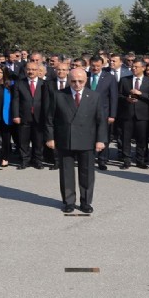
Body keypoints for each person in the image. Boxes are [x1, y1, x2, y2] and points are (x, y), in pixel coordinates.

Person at [45, 69, 107, 213]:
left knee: (87, 173)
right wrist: (50, 137)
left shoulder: (94, 96)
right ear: (68, 80)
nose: (77, 84)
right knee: (66, 172)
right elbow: (49, 119)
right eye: (73, 81)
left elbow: (101, 120)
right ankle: (69, 201)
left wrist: (101, 140)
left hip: (88, 139)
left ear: (86, 80)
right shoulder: (59, 95)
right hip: (65, 138)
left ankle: (86, 202)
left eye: (80, 81)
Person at [117, 59, 149, 169]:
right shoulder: (124, 80)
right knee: (126, 138)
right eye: (132, 67)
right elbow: (118, 95)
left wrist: (141, 94)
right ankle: (126, 160)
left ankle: (140, 160)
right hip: (127, 114)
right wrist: (126, 99)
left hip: (142, 114)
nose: (133, 69)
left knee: (141, 139)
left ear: (143, 68)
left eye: (136, 67)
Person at [12, 61, 47, 169]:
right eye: (29, 69)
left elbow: (46, 102)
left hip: (39, 116)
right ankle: (25, 161)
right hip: (24, 116)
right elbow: (15, 100)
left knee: (38, 141)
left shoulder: (44, 83)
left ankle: (38, 161)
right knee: (24, 140)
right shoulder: (19, 83)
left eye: (33, 69)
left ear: (38, 71)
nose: (31, 71)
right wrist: (16, 115)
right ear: (25, 70)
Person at [88, 56, 118, 170]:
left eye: (98, 66)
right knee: (89, 135)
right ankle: (90, 158)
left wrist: (112, 115)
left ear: (102, 65)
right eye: (93, 66)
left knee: (103, 135)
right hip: (87, 112)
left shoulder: (109, 77)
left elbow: (113, 97)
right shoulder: (85, 75)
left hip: (104, 112)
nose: (95, 68)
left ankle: (102, 160)